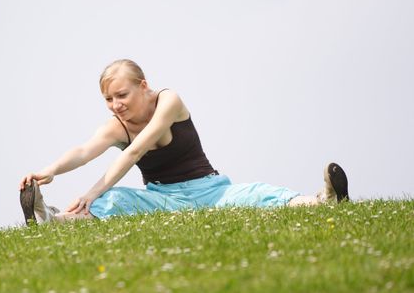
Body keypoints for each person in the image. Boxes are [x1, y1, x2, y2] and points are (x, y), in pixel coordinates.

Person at [19, 59, 349, 225]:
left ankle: (324, 200)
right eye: (108, 99)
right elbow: (83, 151)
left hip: (211, 190)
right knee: (113, 202)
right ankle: (50, 219)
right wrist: (49, 171)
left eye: (122, 95)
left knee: (261, 194)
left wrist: (92, 191)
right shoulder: (117, 125)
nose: (116, 104)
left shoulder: (169, 101)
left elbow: (136, 150)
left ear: (143, 85)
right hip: (162, 198)